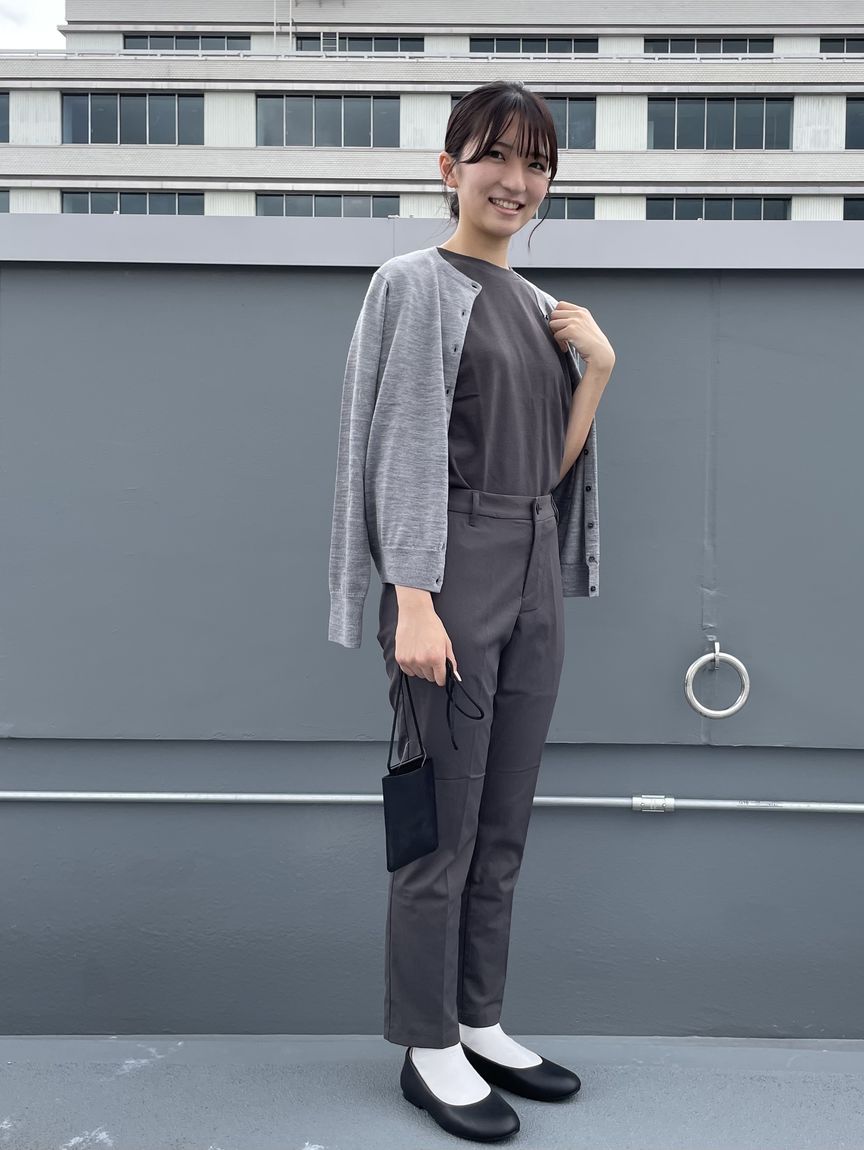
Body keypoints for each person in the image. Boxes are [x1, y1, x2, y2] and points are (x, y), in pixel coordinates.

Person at [327, 80, 615, 1141]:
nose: (517, 180)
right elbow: (397, 443)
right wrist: (410, 598)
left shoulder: (539, 307)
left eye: (537, 164)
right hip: (448, 569)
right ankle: (426, 1043)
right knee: (440, 826)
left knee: (503, 821)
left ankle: (479, 1018)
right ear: (449, 168)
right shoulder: (415, 282)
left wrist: (597, 371)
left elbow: (548, 469)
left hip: (530, 563)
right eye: (496, 155)